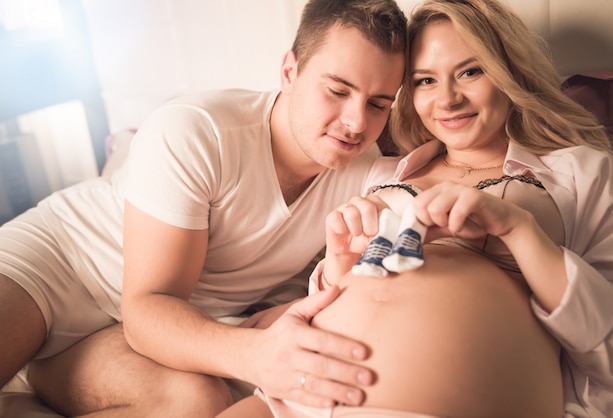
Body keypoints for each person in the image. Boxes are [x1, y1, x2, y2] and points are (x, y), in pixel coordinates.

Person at [212, 0, 613, 417]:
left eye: (470, 71)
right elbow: (338, 295)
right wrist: (339, 259)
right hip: (301, 399)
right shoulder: (380, 172)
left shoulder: (584, 173)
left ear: (508, 72)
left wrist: (517, 230)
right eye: (425, 80)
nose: (446, 99)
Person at [0, 0, 408, 416]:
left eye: (377, 103)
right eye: (337, 91)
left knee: (196, 402)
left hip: (142, 329)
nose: (356, 121)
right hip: (62, 263)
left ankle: (38, 373)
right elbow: (149, 304)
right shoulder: (198, 129)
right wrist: (258, 354)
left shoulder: (366, 170)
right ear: (289, 71)